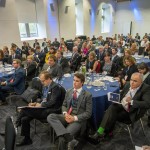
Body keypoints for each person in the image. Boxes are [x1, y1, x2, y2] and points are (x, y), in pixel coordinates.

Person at [89, 73, 150, 143]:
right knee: (112, 107)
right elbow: (121, 95)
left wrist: (132, 101)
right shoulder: (127, 84)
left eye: (135, 81)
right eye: (131, 80)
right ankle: (105, 133)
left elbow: (147, 104)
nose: (132, 82)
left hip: (131, 111)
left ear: (141, 82)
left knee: (110, 113)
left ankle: (101, 132)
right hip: (122, 105)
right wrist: (115, 99)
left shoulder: (146, 88)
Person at [47, 72, 92, 150]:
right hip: (67, 115)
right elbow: (64, 105)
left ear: (82, 83)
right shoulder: (69, 91)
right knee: (50, 116)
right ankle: (71, 139)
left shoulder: (87, 95)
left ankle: (67, 137)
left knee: (62, 138)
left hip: (77, 120)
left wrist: (74, 118)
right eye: (74, 80)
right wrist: (65, 114)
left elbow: (88, 113)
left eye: (77, 81)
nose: (74, 82)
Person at [16, 71, 62, 146]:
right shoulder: (46, 86)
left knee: (24, 110)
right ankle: (27, 139)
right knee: (24, 119)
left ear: (48, 79)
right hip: (44, 108)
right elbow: (44, 98)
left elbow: (52, 102)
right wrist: (35, 103)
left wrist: (40, 105)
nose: (41, 82)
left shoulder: (55, 87)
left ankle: (15, 124)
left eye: (42, 81)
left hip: (51, 110)